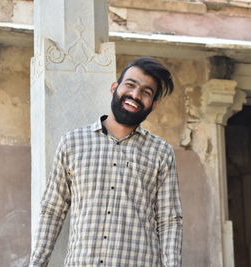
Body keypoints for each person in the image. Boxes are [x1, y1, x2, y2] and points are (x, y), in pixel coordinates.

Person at [29, 57, 183, 267]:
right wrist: (36, 263)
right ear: (114, 88)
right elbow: (52, 210)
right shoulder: (73, 143)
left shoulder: (161, 152)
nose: (135, 95)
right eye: (130, 85)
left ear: (153, 104)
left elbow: (169, 221)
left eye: (146, 92)